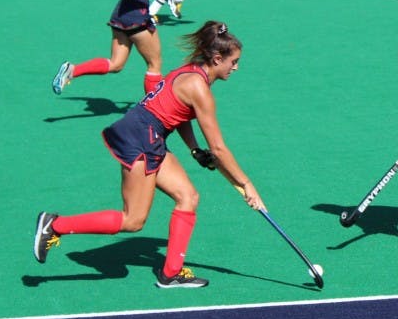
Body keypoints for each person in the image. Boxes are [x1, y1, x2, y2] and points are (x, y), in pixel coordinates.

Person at [35, 21, 265, 289]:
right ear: (217, 58)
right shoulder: (200, 89)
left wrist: (193, 150)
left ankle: (170, 273)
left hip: (146, 133)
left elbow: (179, 114)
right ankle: (56, 225)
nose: (235, 67)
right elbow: (219, 149)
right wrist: (246, 184)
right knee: (133, 220)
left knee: (187, 197)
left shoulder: (190, 72)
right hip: (141, 138)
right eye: (233, 62)